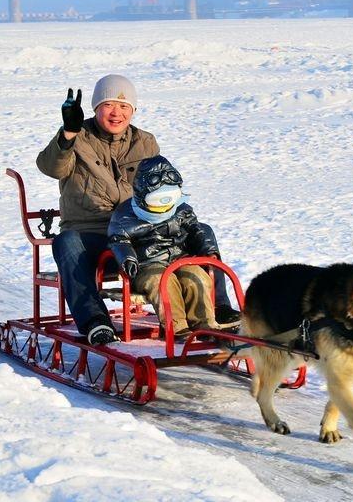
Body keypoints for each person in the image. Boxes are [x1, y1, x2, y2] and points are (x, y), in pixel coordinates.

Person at [37, 74, 239, 347]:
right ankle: (96, 322)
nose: (116, 113)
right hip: (91, 233)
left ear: (133, 110)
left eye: (124, 107)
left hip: (139, 233)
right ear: (96, 107)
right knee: (66, 243)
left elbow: (159, 185)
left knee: (199, 231)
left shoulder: (145, 142)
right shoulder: (78, 138)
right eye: (109, 105)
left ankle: (219, 308)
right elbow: (52, 168)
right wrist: (68, 133)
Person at [107, 156, 219, 338]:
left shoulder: (182, 209)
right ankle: (176, 328)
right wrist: (127, 258)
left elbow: (197, 229)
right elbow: (118, 239)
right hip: (147, 265)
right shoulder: (125, 215)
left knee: (197, 277)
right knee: (162, 283)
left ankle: (205, 325)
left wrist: (208, 250)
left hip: (179, 259)